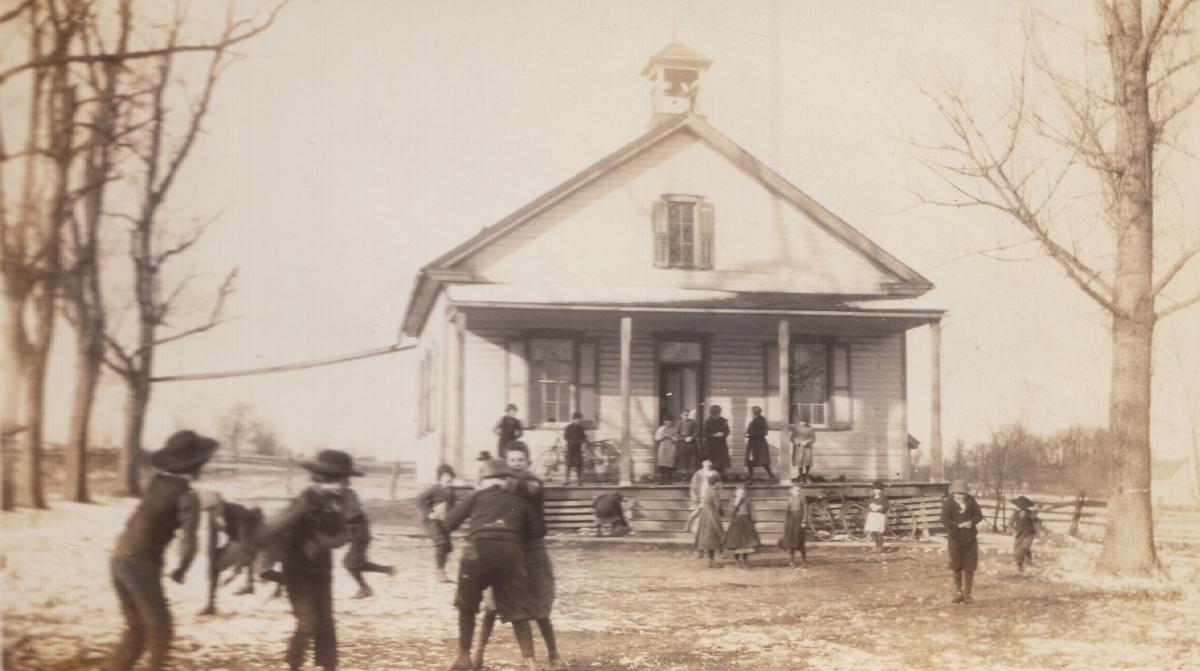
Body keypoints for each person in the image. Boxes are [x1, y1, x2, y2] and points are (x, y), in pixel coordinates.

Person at [107, 430, 216, 671]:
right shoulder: (189, 497)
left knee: (136, 629)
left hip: (118, 558)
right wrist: (182, 570)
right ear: (197, 466)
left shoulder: (156, 483)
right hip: (141, 564)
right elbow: (189, 543)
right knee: (161, 630)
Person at [260, 449, 357, 671]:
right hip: (296, 570)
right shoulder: (305, 500)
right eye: (344, 479)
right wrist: (263, 558)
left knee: (325, 621)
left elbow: (347, 534)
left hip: (322, 570)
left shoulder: (339, 502)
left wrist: (326, 541)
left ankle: (329, 666)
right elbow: (275, 527)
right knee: (307, 622)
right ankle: (293, 664)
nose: (347, 483)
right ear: (327, 479)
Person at [443, 458, 541, 671]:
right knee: (517, 610)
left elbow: (449, 524)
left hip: (477, 551)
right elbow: (538, 531)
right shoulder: (519, 499)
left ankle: (463, 656)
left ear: (485, 480)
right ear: (507, 480)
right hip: (510, 552)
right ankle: (530, 661)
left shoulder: (476, 495)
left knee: (466, 606)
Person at [476, 443, 564, 670]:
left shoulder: (531, 482)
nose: (516, 464)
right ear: (506, 462)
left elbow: (531, 490)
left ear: (528, 461)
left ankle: (553, 653)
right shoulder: (499, 486)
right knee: (492, 606)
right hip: (506, 551)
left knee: (539, 607)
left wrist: (504, 482)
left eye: (520, 460)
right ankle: (478, 654)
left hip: (532, 551)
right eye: (511, 460)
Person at [340, 474, 394, 599]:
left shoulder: (349, 494)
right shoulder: (338, 496)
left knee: (350, 563)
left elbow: (353, 513)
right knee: (356, 563)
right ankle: (387, 570)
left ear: (345, 482)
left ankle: (365, 588)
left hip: (360, 534)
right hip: (354, 534)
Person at [941, 479, 984, 605]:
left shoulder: (971, 501)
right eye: (958, 494)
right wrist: (958, 525)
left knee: (969, 566)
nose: (961, 497)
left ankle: (968, 594)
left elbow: (979, 515)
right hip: (955, 538)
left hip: (970, 538)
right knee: (956, 565)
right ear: (953, 493)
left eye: (963, 494)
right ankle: (958, 592)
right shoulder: (948, 503)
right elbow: (944, 519)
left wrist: (972, 522)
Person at [417, 464, 458, 583]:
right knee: (441, 542)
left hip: (444, 522)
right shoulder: (435, 489)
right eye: (445, 475)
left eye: (450, 475)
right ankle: (439, 571)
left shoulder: (451, 492)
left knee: (447, 547)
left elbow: (453, 507)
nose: (448, 478)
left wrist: (452, 519)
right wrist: (429, 512)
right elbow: (420, 499)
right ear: (440, 477)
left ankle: (442, 571)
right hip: (432, 521)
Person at [724, 483, 761, 569]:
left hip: (746, 522)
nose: (742, 495)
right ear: (736, 493)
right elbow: (730, 513)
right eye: (740, 493)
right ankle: (737, 560)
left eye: (743, 493)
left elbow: (751, 511)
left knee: (746, 543)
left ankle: (744, 559)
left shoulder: (747, 501)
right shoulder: (733, 501)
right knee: (736, 543)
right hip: (736, 523)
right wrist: (736, 503)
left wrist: (754, 520)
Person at [694, 473, 725, 568]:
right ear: (715, 483)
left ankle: (711, 559)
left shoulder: (708, 490)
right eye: (719, 482)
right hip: (711, 516)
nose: (720, 484)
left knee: (708, 536)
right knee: (713, 536)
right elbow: (717, 505)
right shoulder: (714, 492)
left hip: (706, 515)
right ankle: (711, 561)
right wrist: (722, 511)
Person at [778, 483, 810, 568]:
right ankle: (792, 561)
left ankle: (804, 561)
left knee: (800, 542)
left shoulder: (802, 498)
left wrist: (804, 521)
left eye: (799, 491)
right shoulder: (788, 499)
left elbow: (806, 511)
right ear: (791, 491)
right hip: (791, 521)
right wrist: (786, 523)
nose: (797, 492)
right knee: (790, 542)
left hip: (799, 522)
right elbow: (786, 512)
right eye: (796, 490)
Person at [686, 459, 721, 534]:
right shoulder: (698, 473)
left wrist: (717, 494)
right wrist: (694, 497)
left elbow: (719, 485)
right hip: (701, 494)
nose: (708, 463)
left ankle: (710, 530)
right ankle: (693, 528)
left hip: (711, 495)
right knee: (698, 512)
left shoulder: (715, 473)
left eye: (710, 461)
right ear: (702, 463)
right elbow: (693, 487)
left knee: (710, 512)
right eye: (706, 462)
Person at [1009, 495, 1042, 572]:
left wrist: (1038, 528)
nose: (1022, 505)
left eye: (1024, 504)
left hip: (1029, 534)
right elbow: (1010, 523)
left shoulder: (1031, 513)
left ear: (1027, 505)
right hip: (1019, 534)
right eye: (1020, 504)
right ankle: (1021, 564)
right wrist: (1011, 529)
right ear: (1018, 505)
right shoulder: (1015, 513)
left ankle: (1022, 565)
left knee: (1023, 548)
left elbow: (1036, 522)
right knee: (1017, 548)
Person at [744, 406, 773, 483]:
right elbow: (748, 430)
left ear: (755, 412)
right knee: (750, 461)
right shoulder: (752, 420)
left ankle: (772, 477)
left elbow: (765, 432)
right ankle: (751, 478)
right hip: (752, 443)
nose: (751, 413)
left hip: (759, 444)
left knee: (763, 461)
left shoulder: (762, 421)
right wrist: (747, 434)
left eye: (752, 412)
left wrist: (752, 434)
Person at [702, 405, 731, 475]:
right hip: (711, 444)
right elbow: (705, 433)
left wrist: (723, 433)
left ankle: (721, 475)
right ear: (712, 414)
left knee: (721, 461)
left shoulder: (723, 421)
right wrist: (713, 435)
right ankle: (712, 476)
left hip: (721, 444)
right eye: (715, 414)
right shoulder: (708, 422)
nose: (717, 416)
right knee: (712, 461)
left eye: (718, 414)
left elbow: (727, 431)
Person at [563, 412, 588, 485]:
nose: (579, 421)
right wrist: (572, 441)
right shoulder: (568, 427)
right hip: (570, 448)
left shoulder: (581, 428)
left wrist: (583, 440)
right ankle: (566, 480)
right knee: (568, 464)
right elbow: (565, 437)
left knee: (579, 464)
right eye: (577, 419)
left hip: (578, 449)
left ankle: (579, 480)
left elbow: (583, 438)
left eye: (580, 419)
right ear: (573, 419)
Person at [864, 480, 889, 554]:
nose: (877, 491)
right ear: (873, 490)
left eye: (879, 490)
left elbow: (886, 506)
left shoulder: (883, 498)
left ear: (881, 490)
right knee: (874, 532)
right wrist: (870, 507)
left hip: (879, 516)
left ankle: (880, 547)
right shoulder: (872, 497)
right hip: (873, 517)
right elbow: (869, 504)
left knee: (878, 532)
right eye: (875, 489)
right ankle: (876, 545)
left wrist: (880, 508)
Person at [654, 414, 678, 484]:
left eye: (670, 421)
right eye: (666, 421)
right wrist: (663, 436)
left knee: (670, 461)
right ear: (664, 421)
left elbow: (677, 438)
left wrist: (671, 437)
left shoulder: (674, 429)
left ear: (672, 422)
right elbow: (657, 438)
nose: (668, 422)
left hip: (671, 446)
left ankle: (669, 479)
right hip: (663, 446)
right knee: (662, 462)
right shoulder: (661, 428)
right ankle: (662, 479)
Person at [675, 408, 699, 474]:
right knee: (683, 457)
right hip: (682, 443)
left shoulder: (692, 422)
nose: (685, 417)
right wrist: (683, 439)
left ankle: (691, 472)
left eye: (686, 415)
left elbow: (696, 432)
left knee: (691, 457)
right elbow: (676, 433)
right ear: (681, 415)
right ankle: (683, 473)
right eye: (684, 415)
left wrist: (692, 437)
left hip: (691, 442)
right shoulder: (679, 422)